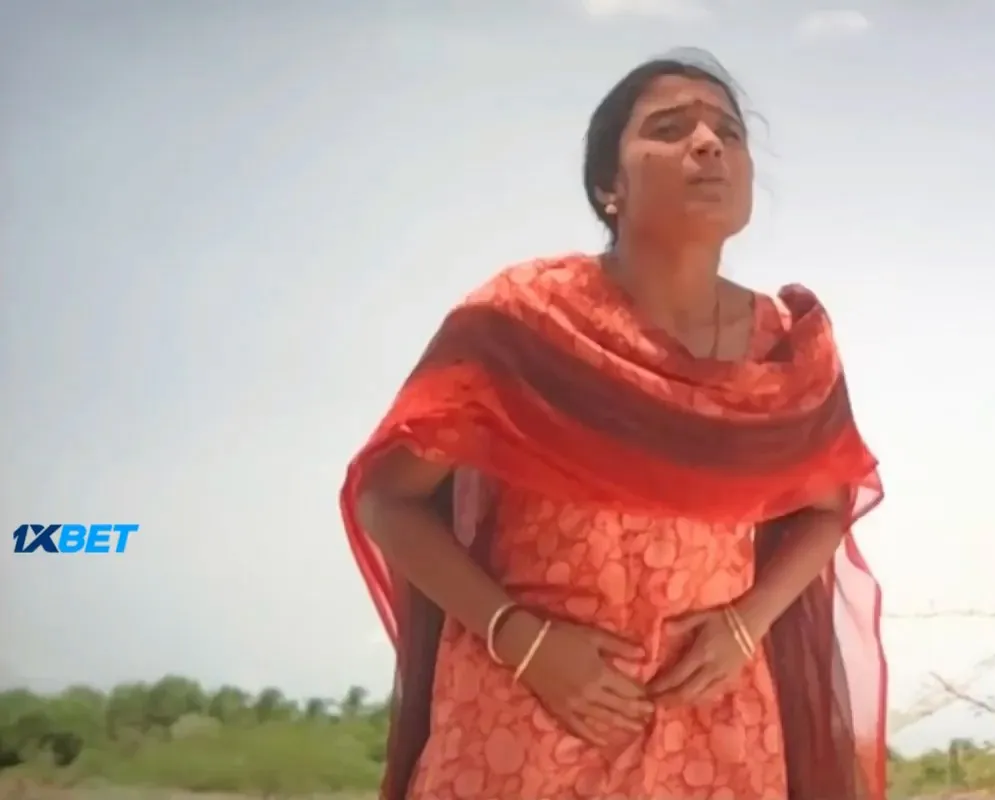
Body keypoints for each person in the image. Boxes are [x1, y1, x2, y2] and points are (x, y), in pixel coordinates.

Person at [339, 50, 887, 800]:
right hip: (526, 710)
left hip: (715, 726)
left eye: (728, 131)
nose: (708, 144)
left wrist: (745, 625)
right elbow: (387, 499)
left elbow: (827, 509)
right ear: (609, 187)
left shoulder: (786, 347)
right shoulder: (525, 317)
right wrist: (523, 641)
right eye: (670, 128)